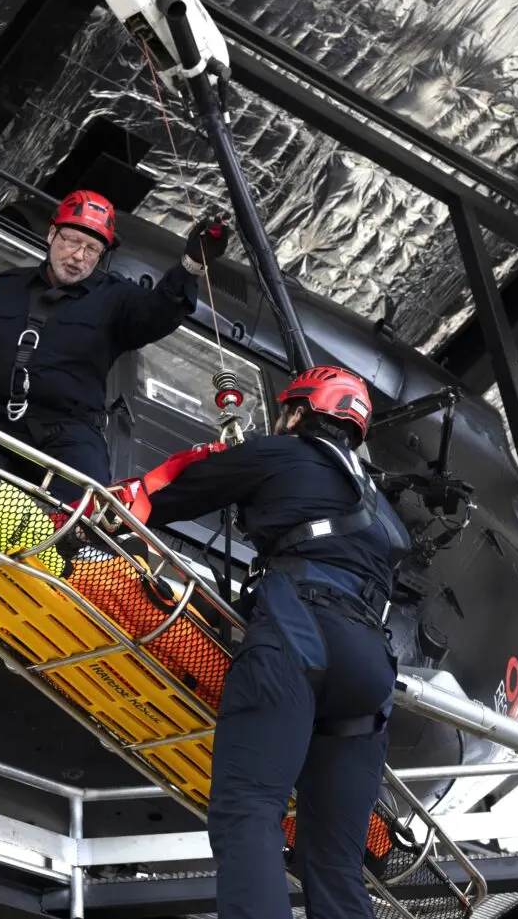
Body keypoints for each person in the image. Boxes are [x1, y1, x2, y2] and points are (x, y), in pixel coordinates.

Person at [143, 366, 411, 919]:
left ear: (299, 411)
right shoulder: (381, 511)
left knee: (249, 810)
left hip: (302, 632)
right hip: (370, 670)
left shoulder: (285, 453)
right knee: (335, 860)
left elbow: (170, 493)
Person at [0, 190, 229, 501]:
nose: (79, 256)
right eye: (72, 241)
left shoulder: (118, 299)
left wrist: (192, 265)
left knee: (89, 495)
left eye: (92, 249)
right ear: (51, 234)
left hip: (62, 435)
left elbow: (160, 311)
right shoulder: (6, 286)